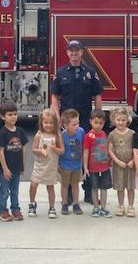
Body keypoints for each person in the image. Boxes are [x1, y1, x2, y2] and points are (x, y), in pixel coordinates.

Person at [50, 39, 103, 203]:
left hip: (85, 121)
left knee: (87, 155)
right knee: (67, 155)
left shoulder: (90, 72)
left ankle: (89, 193)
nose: (74, 53)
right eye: (71, 50)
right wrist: (58, 118)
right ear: (67, 53)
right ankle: (69, 194)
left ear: (82, 52)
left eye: (77, 50)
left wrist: (97, 117)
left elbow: (97, 96)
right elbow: (54, 97)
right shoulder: (60, 73)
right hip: (67, 123)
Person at [28, 108, 64, 218]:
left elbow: (62, 150)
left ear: (55, 123)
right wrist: (40, 151)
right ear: (41, 123)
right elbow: (33, 149)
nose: (48, 125)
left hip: (51, 166)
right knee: (34, 184)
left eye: (51, 123)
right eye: (46, 122)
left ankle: (52, 207)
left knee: (50, 187)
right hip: (39, 165)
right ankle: (32, 203)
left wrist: (55, 149)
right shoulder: (39, 135)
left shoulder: (57, 136)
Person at [0, 102, 28, 222]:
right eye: (10, 115)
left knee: (15, 190)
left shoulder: (20, 131)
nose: (13, 117)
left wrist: (23, 165)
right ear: (3, 117)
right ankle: (2, 210)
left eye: (15, 114)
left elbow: (24, 148)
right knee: (4, 191)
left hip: (17, 167)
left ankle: (15, 209)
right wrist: (5, 168)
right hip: (6, 169)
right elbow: (0, 151)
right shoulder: (3, 133)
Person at [83, 109, 113, 218]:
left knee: (104, 188)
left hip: (104, 166)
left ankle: (103, 208)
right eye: (95, 122)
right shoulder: (88, 136)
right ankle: (96, 208)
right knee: (94, 187)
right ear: (90, 121)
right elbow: (86, 152)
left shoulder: (104, 134)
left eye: (100, 123)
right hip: (93, 168)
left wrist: (109, 161)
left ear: (104, 123)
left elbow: (106, 149)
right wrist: (85, 167)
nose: (98, 125)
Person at [108, 107, 136, 217]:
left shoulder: (132, 133)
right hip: (118, 166)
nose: (121, 122)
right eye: (118, 120)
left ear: (127, 120)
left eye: (123, 120)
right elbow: (110, 150)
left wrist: (133, 161)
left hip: (130, 165)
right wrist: (117, 161)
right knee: (120, 187)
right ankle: (120, 206)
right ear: (114, 120)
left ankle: (131, 206)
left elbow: (136, 149)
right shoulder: (112, 134)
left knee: (130, 187)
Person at [58, 109, 85, 215]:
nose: (77, 126)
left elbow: (83, 146)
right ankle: (64, 203)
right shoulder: (62, 136)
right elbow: (60, 151)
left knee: (75, 185)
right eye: (74, 124)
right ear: (65, 125)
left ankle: (76, 203)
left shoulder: (81, 132)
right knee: (64, 185)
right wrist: (57, 165)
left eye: (78, 123)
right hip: (65, 165)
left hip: (77, 165)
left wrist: (83, 162)